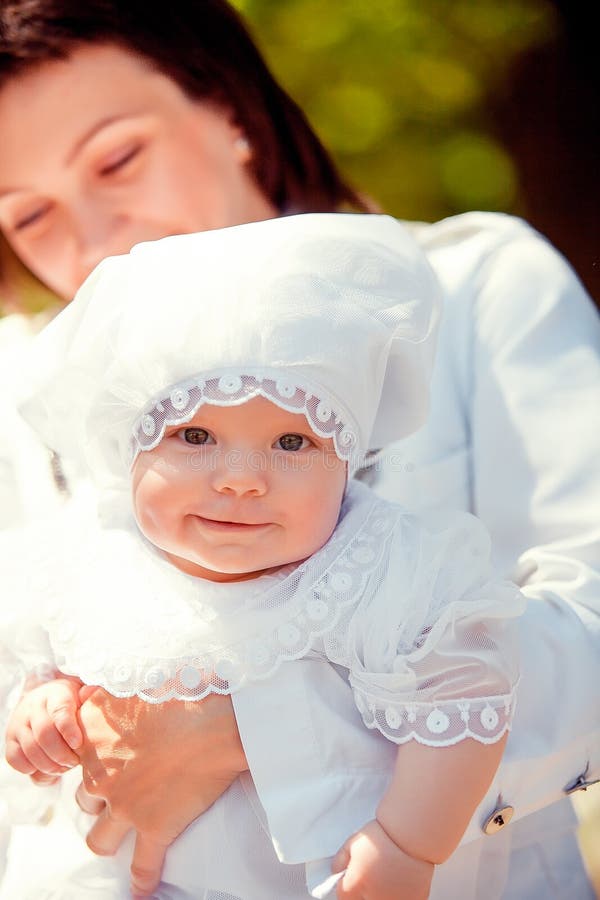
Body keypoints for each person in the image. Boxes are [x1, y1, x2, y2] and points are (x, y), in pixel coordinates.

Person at [0, 2, 598, 898]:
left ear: (231, 110)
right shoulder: (23, 387)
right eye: (29, 214)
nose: (95, 239)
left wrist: (256, 724)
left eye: (120, 158)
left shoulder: (472, 293)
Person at [3, 215, 525, 899]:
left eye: (292, 443)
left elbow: (464, 700)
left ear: (348, 459)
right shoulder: (88, 555)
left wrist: (408, 842)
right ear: (128, 446)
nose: (242, 478)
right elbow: (43, 659)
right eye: (195, 434)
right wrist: (43, 708)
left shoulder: (373, 565)